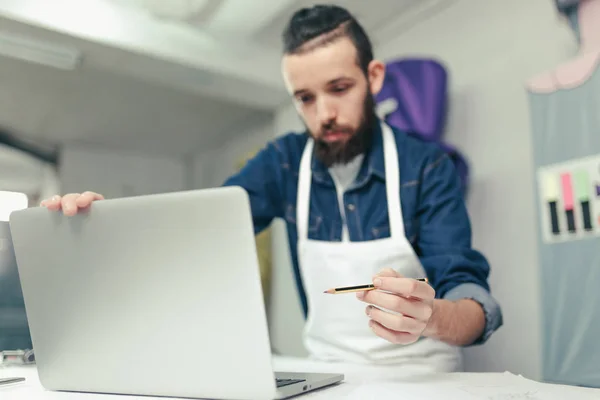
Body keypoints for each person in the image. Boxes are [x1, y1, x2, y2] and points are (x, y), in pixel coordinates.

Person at [41, 5, 502, 372]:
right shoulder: (282, 163)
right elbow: (198, 232)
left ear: (374, 78)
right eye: (305, 98)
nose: (324, 114)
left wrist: (433, 316)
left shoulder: (427, 168)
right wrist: (103, 227)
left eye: (339, 88)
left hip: (427, 380)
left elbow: (473, 303)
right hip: (332, 376)